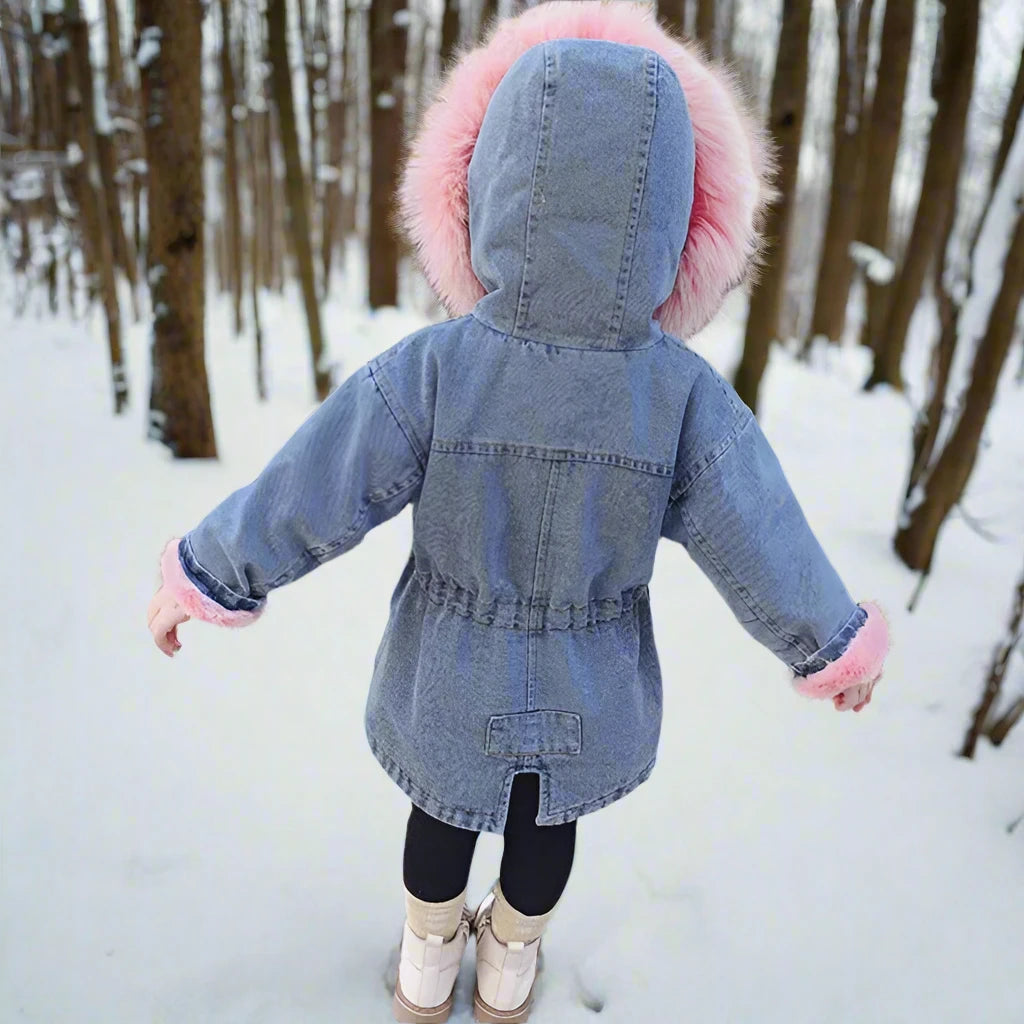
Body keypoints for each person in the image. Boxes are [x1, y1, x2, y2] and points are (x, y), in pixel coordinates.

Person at [146, 4, 890, 1021]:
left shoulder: (439, 366)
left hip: (448, 661)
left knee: (440, 812)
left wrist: (209, 570)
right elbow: (757, 528)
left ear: (483, 185)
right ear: (680, 216)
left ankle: (425, 965)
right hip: (593, 677)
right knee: (547, 824)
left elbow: (315, 481)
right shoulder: (677, 394)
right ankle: (507, 965)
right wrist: (827, 641)